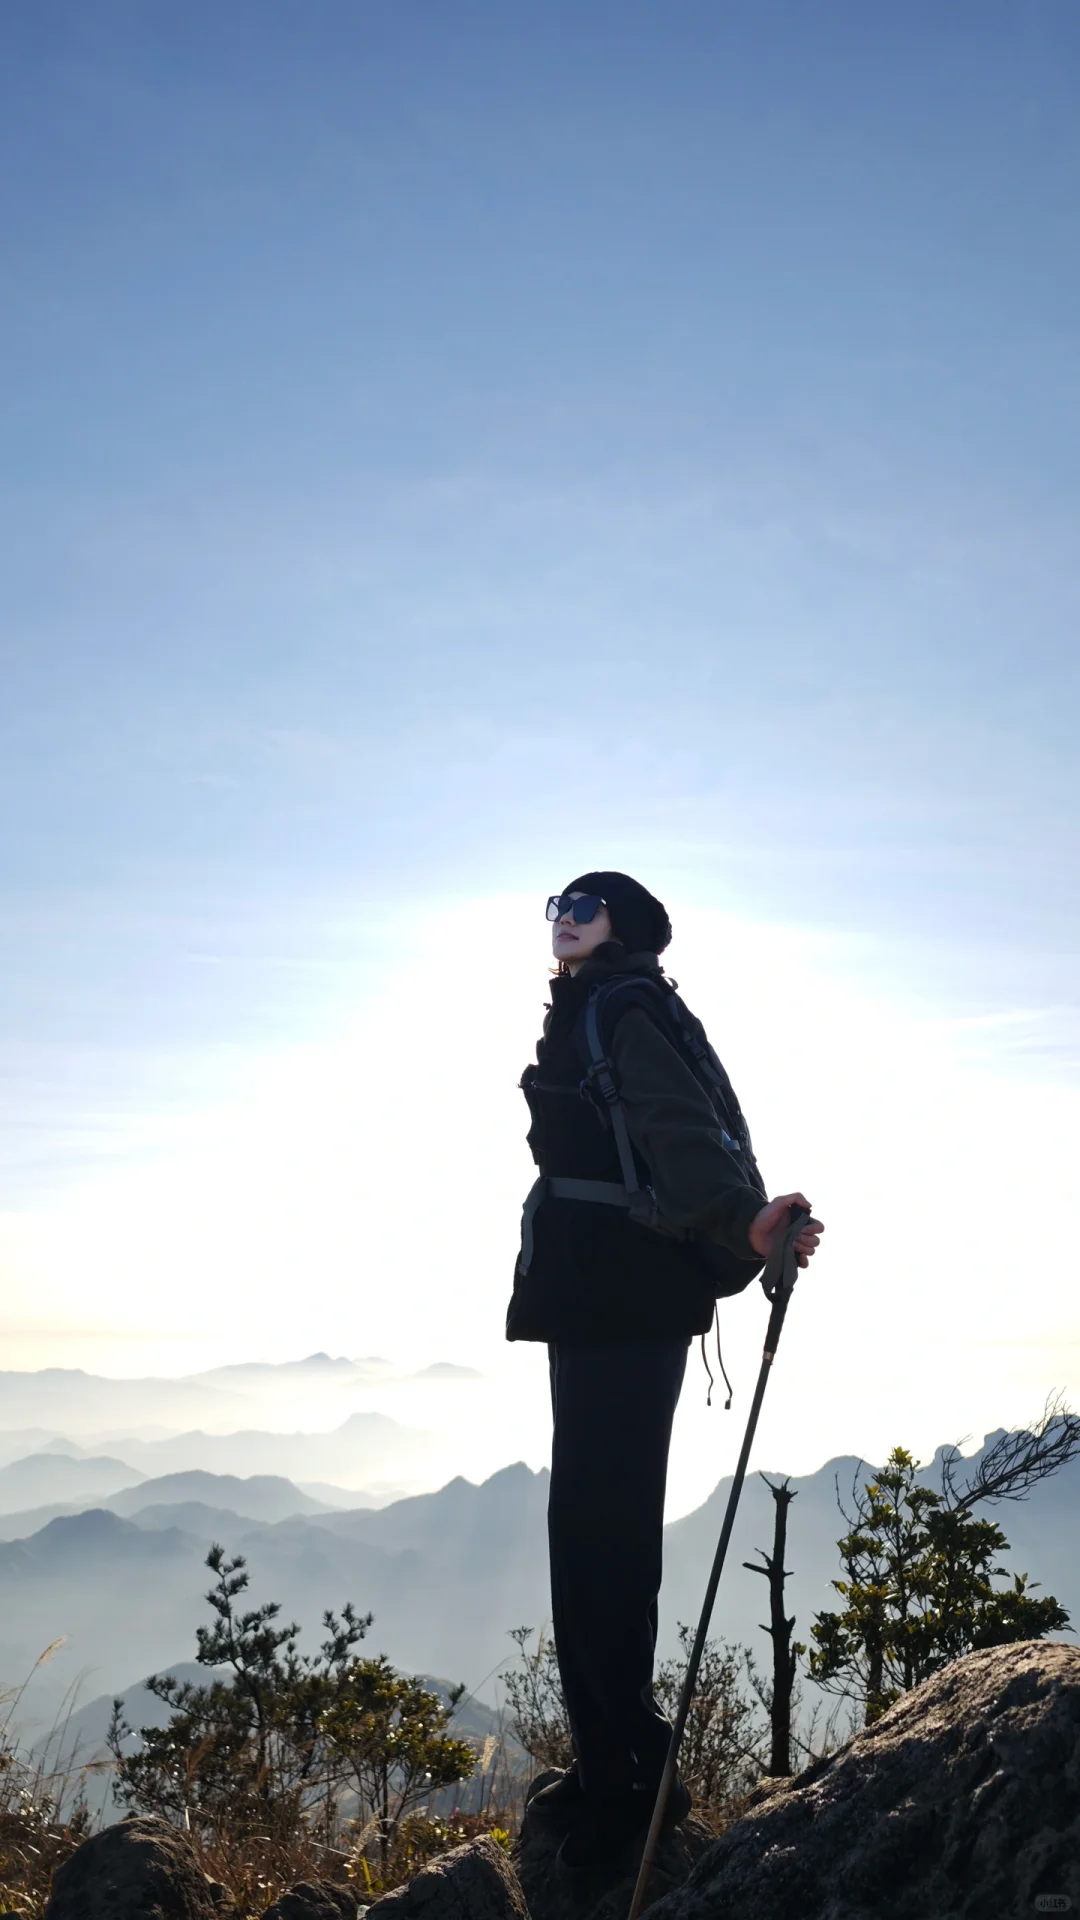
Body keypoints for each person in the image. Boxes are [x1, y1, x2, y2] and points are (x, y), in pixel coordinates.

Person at [505, 870, 823, 1875]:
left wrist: (744, 1221)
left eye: (581, 907)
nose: (561, 918)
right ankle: (613, 1762)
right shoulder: (604, 1006)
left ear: (625, 930)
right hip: (603, 1296)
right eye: (553, 905)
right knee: (595, 1530)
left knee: (601, 1534)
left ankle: (631, 1787)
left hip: (617, 1299)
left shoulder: (623, 1007)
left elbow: (679, 1130)